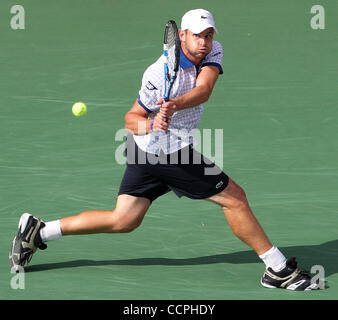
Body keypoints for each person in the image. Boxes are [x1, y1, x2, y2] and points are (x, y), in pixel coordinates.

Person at [9, 9, 319, 291]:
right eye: (197, 35)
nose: (204, 42)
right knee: (235, 199)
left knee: (124, 220)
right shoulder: (157, 74)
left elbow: (204, 90)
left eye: (209, 35)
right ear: (182, 36)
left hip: (154, 153)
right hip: (166, 153)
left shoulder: (213, 51)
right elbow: (131, 120)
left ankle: (39, 231)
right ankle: (277, 269)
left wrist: (173, 105)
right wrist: (153, 125)